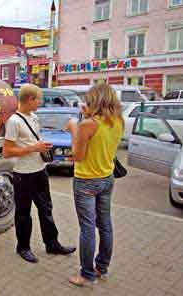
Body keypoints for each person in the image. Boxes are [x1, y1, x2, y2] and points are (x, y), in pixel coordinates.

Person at [3, 84, 76, 263]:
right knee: (23, 213)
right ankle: (23, 247)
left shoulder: (34, 117)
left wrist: (42, 145)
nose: (41, 102)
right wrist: (33, 148)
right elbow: (7, 151)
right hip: (23, 174)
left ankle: (52, 243)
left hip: (40, 171)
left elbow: (33, 139)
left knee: (46, 209)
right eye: (39, 99)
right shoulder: (13, 121)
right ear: (29, 100)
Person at [65, 84, 124, 286]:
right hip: (107, 178)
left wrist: (74, 128)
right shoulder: (118, 121)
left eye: (89, 101)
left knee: (88, 228)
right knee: (105, 224)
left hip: (86, 181)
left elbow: (78, 156)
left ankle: (86, 275)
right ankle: (102, 267)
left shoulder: (87, 125)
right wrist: (86, 116)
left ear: (95, 102)